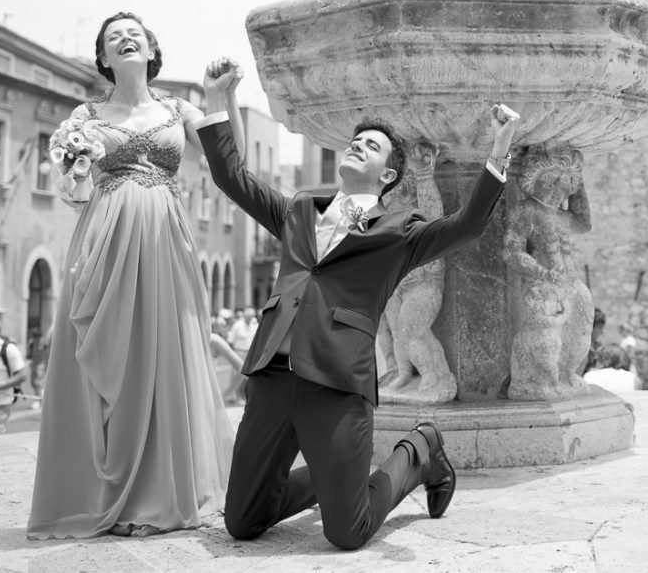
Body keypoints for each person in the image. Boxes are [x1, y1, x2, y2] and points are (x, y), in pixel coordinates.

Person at [196, 56, 520, 551]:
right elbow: (232, 178)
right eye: (355, 140)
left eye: (370, 146)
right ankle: (330, 486)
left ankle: (420, 451)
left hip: (336, 381)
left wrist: (500, 149)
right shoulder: (299, 211)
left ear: (387, 175)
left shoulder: (400, 231)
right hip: (272, 376)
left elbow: (466, 226)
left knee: (348, 533)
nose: (357, 145)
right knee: (242, 521)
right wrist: (219, 100)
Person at [27, 12, 234, 540]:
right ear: (103, 57)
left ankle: (157, 496)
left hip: (166, 242)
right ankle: (101, 496)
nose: (124, 38)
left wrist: (217, 96)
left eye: (134, 34)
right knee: (110, 358)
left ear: (150, 50)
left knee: (164, 356)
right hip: (104, 242)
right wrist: (75, 169)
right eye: (113, 36)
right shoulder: (86, 114)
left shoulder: (177, 107)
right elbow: (72, 193)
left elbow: (222, 162)